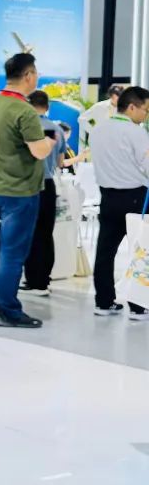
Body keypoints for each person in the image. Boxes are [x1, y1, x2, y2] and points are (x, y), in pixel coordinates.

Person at [0, 54, 55, 328]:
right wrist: (49, 142)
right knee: (12, 253)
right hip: (19, 192)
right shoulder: (25, 111)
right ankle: (9, 311)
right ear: (29, 75)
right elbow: (38, 151)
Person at [86, 86, 149, 320]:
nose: (146, 115)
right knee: (140, 250)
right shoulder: (136, 132)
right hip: (136, 198)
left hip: (108, 197)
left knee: (105, 251)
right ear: (132, 107)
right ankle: (138, 307)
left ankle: (103, 302)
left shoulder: (98, 130)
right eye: (145, 110)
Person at [22, 90, 68, 297]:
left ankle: (32, 280)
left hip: (28, 184)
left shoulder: (25, 127)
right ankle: (44, 280)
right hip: (49, 185)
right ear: (47, 107)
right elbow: (60, 162)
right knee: (46, 234)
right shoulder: (56, 128)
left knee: (29, 233)